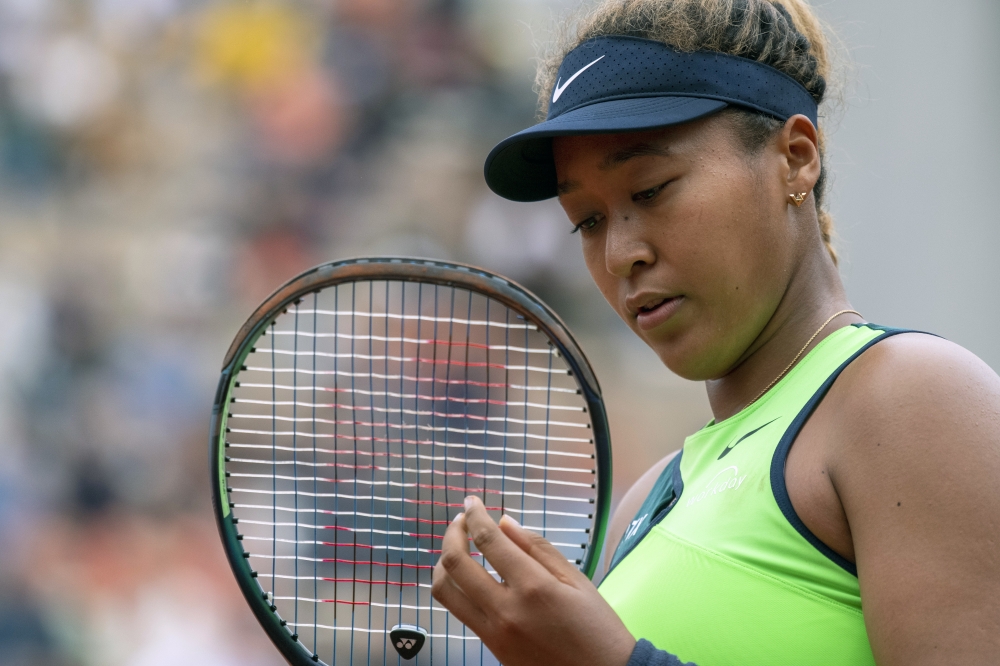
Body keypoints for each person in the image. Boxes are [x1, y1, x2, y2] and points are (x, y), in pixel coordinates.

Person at [430, 0, 1000, 664]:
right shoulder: (643, 504)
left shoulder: (911, 399)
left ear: (795, 158)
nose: (619, 255)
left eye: (651, 190)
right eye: (586, 221)